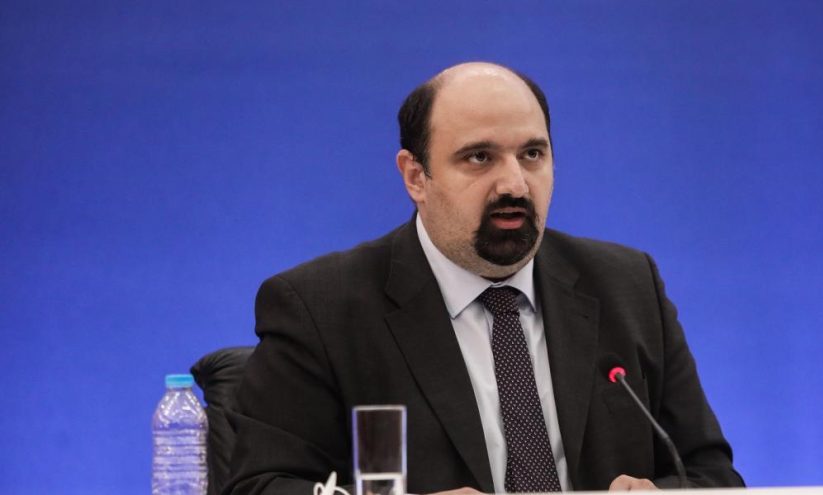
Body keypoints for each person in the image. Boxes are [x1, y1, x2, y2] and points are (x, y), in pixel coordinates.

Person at [224, 62, 743, 495]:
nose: (514, 184)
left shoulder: (628, 286)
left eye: (532, 154)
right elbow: (261, 486)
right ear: (415, 177)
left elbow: (712, 476)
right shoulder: (320, 308)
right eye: (480, 157)